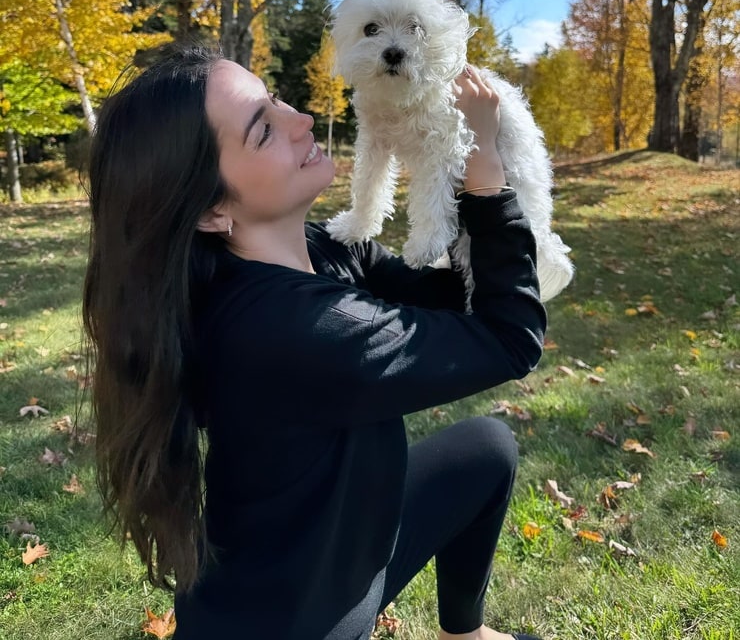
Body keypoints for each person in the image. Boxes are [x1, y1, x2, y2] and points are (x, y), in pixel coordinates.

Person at [82, 42, 547, 640]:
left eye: (274, 99)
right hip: (291, 622)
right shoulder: (295, 329)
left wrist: (457, 151)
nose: (300, 119)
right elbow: (511, 337)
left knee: (487, 448)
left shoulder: (322, 251)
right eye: (263, 129)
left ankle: (466, 633)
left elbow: (468, 295)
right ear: (211, 210)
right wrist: (482, 171)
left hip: (353, 557)